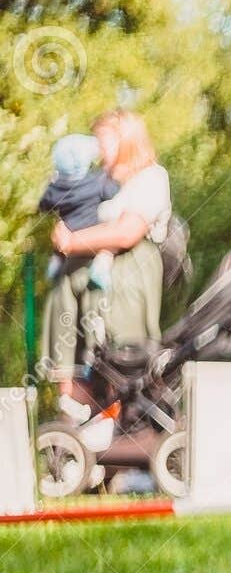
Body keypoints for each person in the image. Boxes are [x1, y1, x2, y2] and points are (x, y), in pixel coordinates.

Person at [43, 111, 172, 401]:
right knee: (68, 327)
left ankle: (117, 414)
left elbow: (128, 232)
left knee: (119, 343)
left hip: (128, 274)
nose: (98, 148)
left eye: (105, 140)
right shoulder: (95, 181)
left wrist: (72, 241)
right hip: (81, 276)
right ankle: (73, 412)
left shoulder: (150, 177)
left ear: (126, 141)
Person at [39, 134, 119, 291]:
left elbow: (44, 205)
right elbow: (114, 193)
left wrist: (51, 183)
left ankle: (56, 262)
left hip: (68, 230)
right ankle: (101, 268)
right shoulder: (98, 180)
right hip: (91, 229)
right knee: (108, 248)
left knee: (59, 246)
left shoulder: (55, 188)